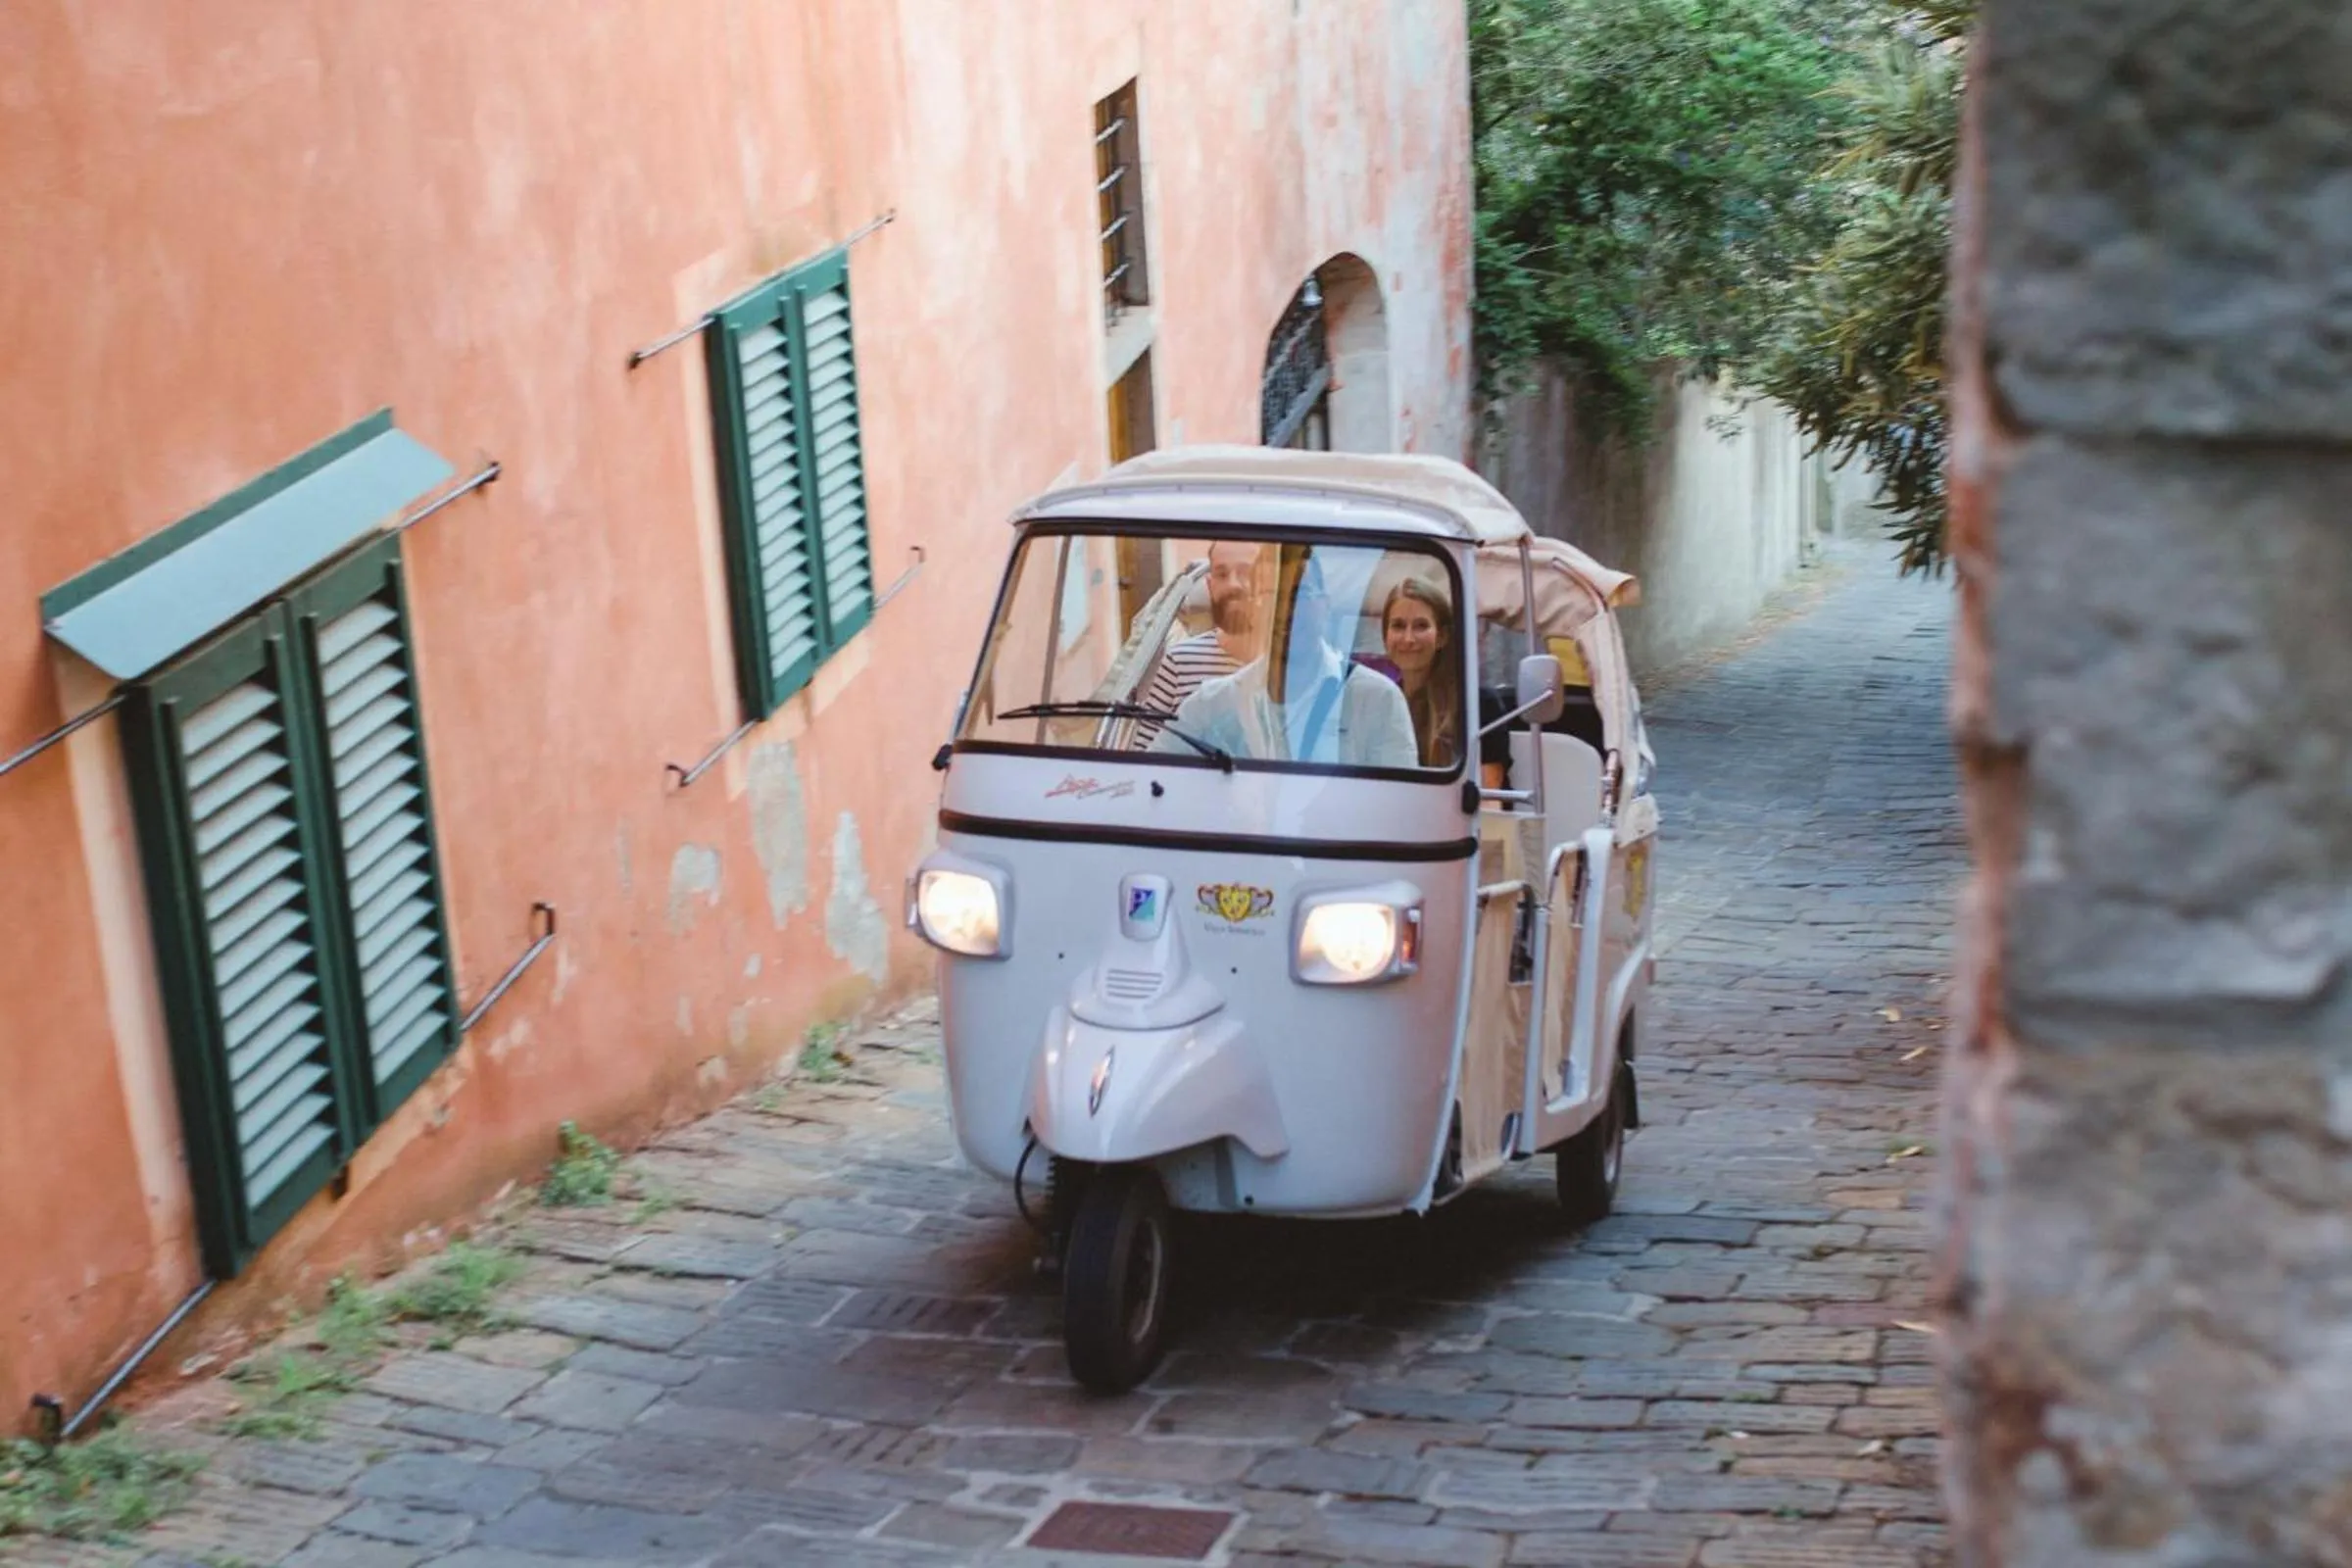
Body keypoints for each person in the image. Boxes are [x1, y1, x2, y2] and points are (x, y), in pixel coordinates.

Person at [1151, 546, 1417, 769]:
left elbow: (1398, 812)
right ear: (1254, 608)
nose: (1286, 609)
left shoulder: (1376, 700)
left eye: (1300, 594)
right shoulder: (1213, 704)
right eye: (1272, 595)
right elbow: (1156, 779)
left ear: (1324, 606)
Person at [1130, 540, 1260, 749]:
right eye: (1222, 574)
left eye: (1245, 572)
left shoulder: (1293, 666)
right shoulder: (1179, 662)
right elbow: (1144, 758)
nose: (1232, 584)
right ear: (1210, 585)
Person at [1381, 574, 1462, 769]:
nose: (1408, 639)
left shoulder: (1475, 705)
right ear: (1385, 636)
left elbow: (1488, 797)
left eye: (1421, 626)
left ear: (1442, 636)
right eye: (1398, 626)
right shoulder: (1380, 703)